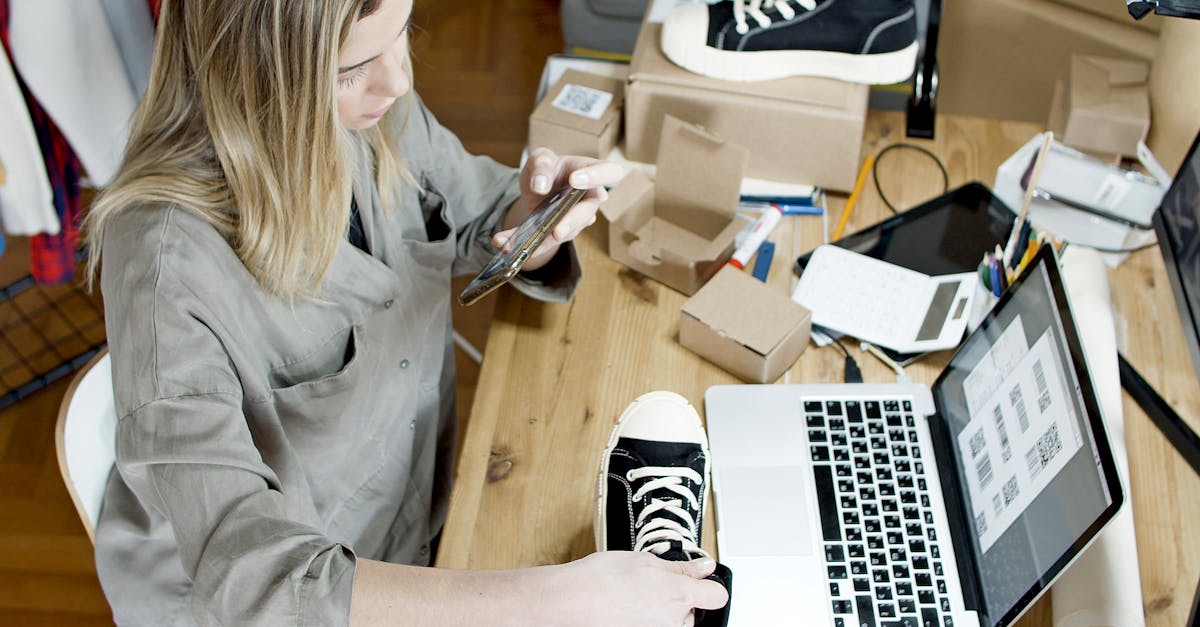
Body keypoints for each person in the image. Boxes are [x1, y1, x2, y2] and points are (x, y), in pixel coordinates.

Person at [84, 0, 729, 624]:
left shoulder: (373, 109)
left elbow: (475, 208)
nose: (399, 81)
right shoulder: (166, 264)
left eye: (404, 31)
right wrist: (564, 601)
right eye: (350, 70)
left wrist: (531, 227)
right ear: (256, 70)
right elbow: (255, 584)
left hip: (414, 518)